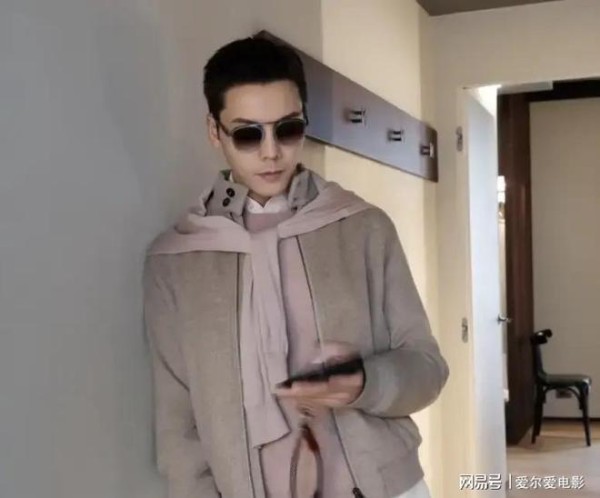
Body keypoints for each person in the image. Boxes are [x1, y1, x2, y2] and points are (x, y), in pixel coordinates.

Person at [143, 35, 449, 498]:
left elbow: (427, 369)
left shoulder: (362, 228)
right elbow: (177, 424)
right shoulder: (176, 261)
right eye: (248, 134)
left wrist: (364, 382)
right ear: (214, 131)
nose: (272, 152)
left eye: (287, 129)